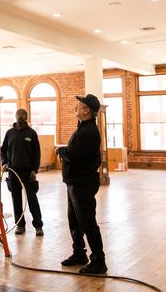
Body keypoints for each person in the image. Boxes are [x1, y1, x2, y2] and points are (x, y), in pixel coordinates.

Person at [57, 94, 108, 274]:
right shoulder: (83, 128)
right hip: (74, 182)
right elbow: (72, 152)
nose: (75, 108)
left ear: (86, 110)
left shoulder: (88, 132)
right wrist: (65, 151)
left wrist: (61, 150)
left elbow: (72, 154)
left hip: (82, 183)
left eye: (79, 106)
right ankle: (79, 253)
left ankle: (99, 261)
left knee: (87, 222)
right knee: (74, 221)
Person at [1, 108, 44, 236]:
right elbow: (3, 150)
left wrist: (35, 169)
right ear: (15, 117)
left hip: (28, 172)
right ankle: (20, 225)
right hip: (13, 172)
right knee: (16, 200)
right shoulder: (9, 133)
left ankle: (38, 226)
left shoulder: (31, 133)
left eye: (23, 115)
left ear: (26, 117)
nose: (20, 117)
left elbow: (37, 153)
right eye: (19, 115)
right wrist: (4, 163)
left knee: (32, 199)